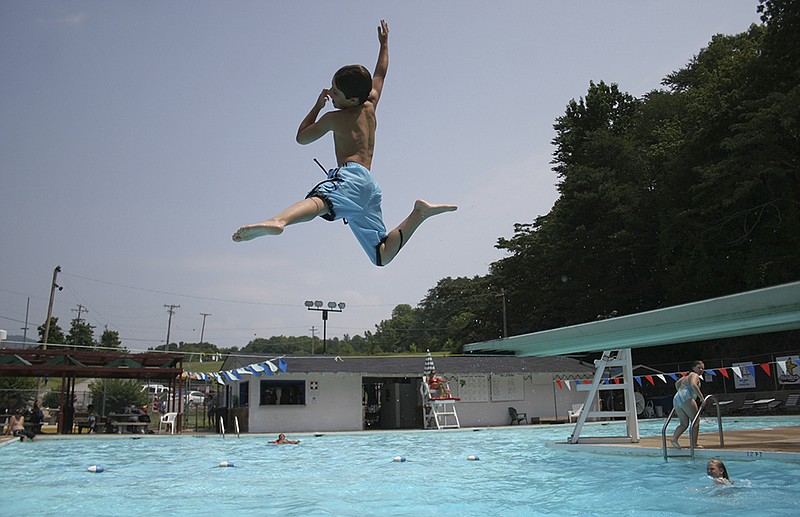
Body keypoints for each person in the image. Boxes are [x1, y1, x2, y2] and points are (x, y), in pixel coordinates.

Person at [232, 20, 457, 266]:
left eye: (336, 93)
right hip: (369, 187)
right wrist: (384, 44)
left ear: (351, 99)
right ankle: (419, 214)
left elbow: (302, 137)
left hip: (351, 179)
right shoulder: (370, 105)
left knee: (321, 201)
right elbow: (380, 73)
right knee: (381, 255)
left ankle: (280, 221)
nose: (331, 93)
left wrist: (317, 107)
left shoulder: (334, 119)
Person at [670, 360, 705, 449]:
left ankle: (674, 438)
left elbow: (676, 384)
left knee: (684, 423)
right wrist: (701, 398)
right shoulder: (694, 375)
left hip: (677, 398)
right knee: (696, 420)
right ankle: (694, 444)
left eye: (703, 368)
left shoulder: (685, 377)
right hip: (685, 397)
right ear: (693, 368)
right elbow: (693, 385)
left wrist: (681, 393)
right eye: (699, 368)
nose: (701, 370)